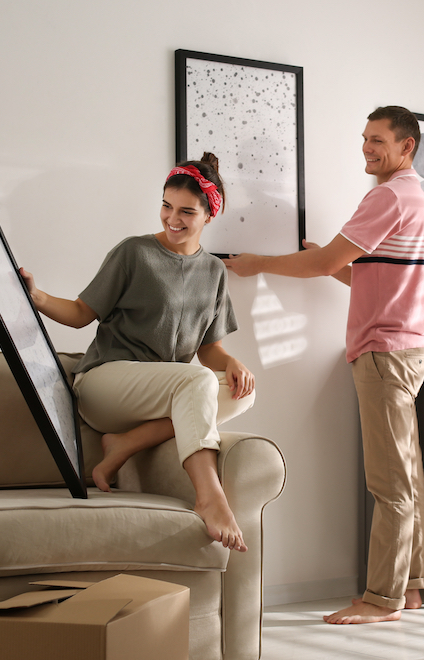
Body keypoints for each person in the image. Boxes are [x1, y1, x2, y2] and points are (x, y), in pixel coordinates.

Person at [224, 106, 424, 623]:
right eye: (364, 138)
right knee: (407, 475)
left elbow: (324, 265)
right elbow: (364, 276)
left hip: (385, 352)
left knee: (389, 483)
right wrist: (330, 258)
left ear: (406, 148)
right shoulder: (414, 198)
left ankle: (381, 599)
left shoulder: (388, 195)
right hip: (407, 349)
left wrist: (258, 264)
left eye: (378, 141)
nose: (367, 148)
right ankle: (409, 587)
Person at [20, 153, 255, 552]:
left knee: (243, 391)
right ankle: (209, 496)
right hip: (107, 384)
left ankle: (127, 443)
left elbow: (207, 348)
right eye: (166, 206)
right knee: (197, 382)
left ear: (209, 215)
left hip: (166, 392)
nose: (172, 218)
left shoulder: (213, 272)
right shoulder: (134, 253)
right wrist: (37, 296)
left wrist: (230, 362)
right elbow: (80, 315)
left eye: (186, 211)